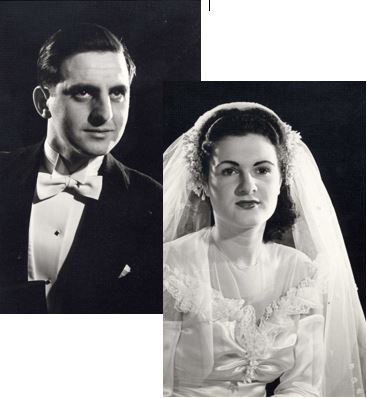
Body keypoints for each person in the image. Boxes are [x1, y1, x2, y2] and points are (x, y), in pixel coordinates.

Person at [163, 102, 365, 396]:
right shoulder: (170, 266)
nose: (248, 186)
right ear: (203, 182)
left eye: (262, 170)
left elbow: (304, 384)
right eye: (230, 170)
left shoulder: (301, 271)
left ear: (282, 179)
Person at [0, 23, 162, 314]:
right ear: (42, 103)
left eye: (117, 93)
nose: (105, 114)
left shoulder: (154, 202)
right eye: (84, 93)